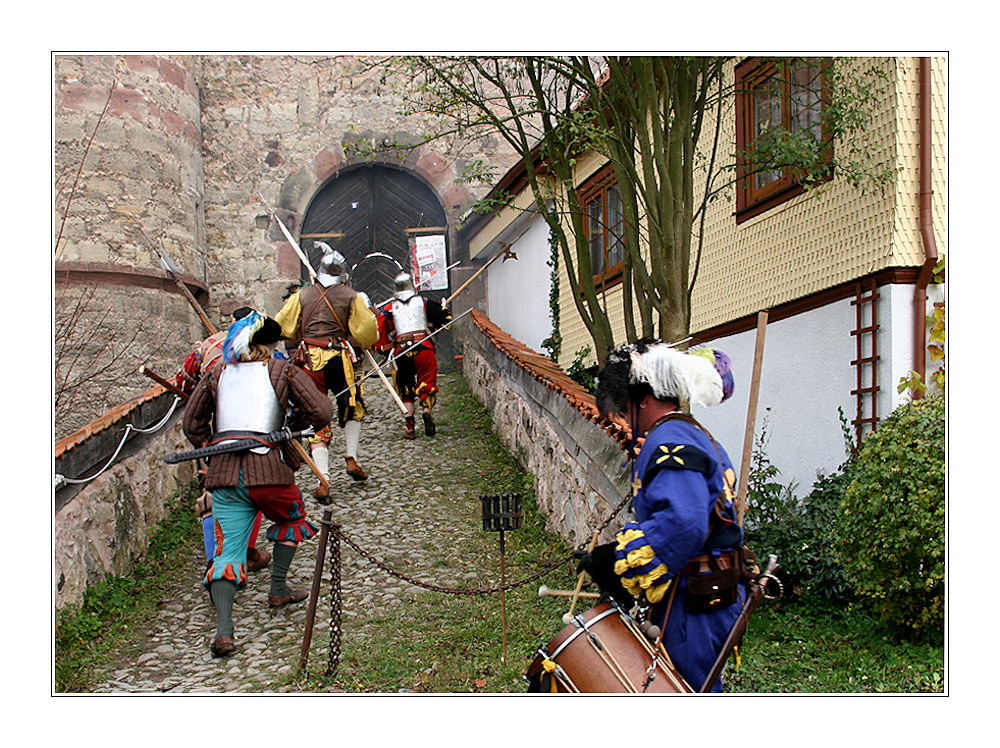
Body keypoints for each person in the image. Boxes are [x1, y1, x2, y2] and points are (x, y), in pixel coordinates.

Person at [576, 338, 746, 693]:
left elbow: (684, 522)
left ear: (645, 399)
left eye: (624, 411)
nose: (623, 421)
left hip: (695, 602)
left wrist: (617, 562)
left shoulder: (670, 441)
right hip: (706, 593)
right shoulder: (691, 432)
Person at [182, 310, 334, 658]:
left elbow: (192, 425)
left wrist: (211, 450)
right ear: (268, 345)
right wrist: (293, 419)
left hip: (223, 476)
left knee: (228, 552)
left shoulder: (215, 373)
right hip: (270, 474)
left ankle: (224, 631)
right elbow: (322, 413)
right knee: (291, 518)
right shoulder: (283, 371)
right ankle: (278, 588)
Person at [274, 243, 379, 497]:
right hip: (339, 360)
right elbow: (366, 332)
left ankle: (324, 478)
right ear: (343, 273)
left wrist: (303, 334)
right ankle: (351, 457)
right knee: (352, 406)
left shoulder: (302, 295)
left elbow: (284, 326)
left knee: (315, 414)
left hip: (309, 358)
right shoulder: (351, 295)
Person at [177, 308, 270, 574]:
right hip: (247, 429)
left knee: (212, 493)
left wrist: (204, 441)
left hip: (213, 431)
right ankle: (242, 553)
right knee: (250, 489)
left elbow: (186, 379)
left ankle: (219, 557)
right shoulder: (261, 348)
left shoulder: (208, 345)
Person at [375, 272, 452, 439]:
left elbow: (380, 330)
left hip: (401, 351)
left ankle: (410, 428)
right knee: (427, 380)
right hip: (423, 347)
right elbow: (444, 319)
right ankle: (426, 409)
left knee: (406, 388)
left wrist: (383, 348)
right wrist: (443, 308)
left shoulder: (388, 308)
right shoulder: (423, 302)